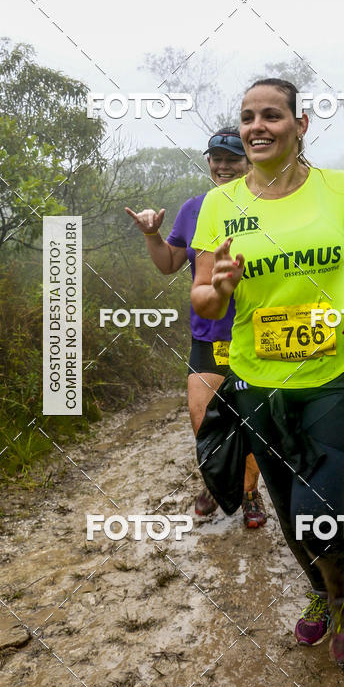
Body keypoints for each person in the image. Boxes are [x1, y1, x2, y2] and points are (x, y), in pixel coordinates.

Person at [191, 81, 344, 666]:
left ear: (300, 123)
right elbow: (205, 303)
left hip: (337, 376)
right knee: (293, 516)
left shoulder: (339, 189)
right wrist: (218, 288)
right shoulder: (221, 206)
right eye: (247, 118)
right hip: (259, 381)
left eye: (271, 115)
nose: (257, 126)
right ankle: (320, 591)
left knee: (319, 512)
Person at [126, 128, 267, 529]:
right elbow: (169, 263)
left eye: (233, 158)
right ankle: (216, 478)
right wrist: (152, 234)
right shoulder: (194, 208)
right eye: (216, 158)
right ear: (208, 161)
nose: (223, 166)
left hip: (258, 333)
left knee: (251, 419)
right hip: (209, 332)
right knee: (203, 417)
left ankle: (248, 492)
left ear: (250, 160)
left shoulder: (267, 206)